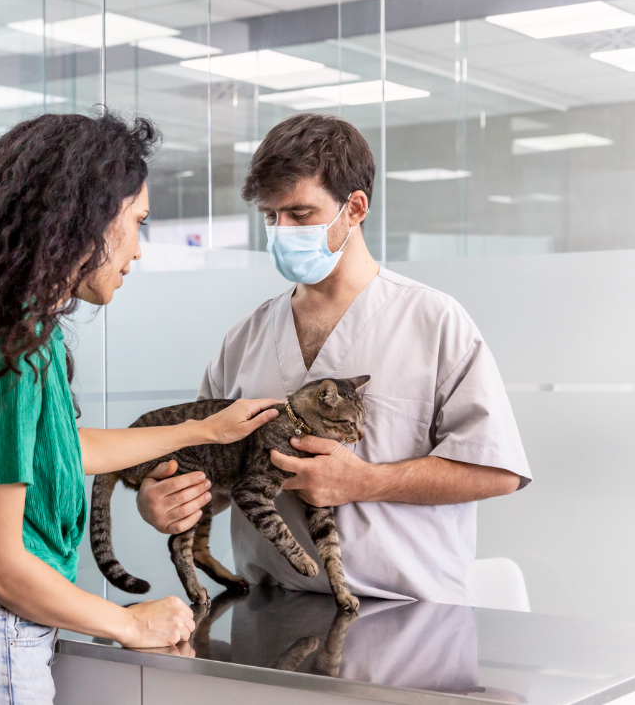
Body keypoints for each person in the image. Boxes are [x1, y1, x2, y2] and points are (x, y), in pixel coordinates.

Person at [0, 112, 279, 704]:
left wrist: (200, 429)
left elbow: (62, 450)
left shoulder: (7, 329)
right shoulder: (8, 348)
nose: (140, 252)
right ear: (88, 219)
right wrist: (130, 623)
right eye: (138, 223)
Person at [138, 113, 531, 606]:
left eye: (300, 214)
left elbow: (498, 470)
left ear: (355, 208)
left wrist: (365, 481)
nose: (281, 230)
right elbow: (213, 474)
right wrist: (170, 502)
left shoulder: (433, 322)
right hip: (268, 611)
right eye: (270, 216)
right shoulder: (244, 341)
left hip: (406, 612)